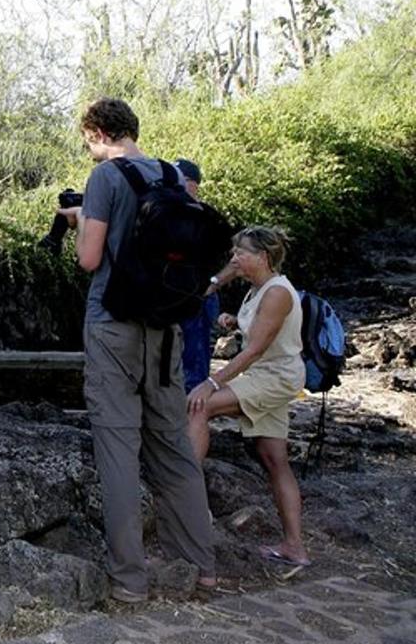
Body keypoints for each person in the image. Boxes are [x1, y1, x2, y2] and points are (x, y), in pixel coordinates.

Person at [60, 98, 216, 602]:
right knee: (172, 446)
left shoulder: (106, 178)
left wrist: (80, 219)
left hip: (113, 327)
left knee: (118, 449)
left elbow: (89, 260)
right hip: (165, 328)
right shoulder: (172, 175)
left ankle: (129, 582)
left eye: (88, 139)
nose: (89, 148)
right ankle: (201, 565)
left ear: (99, 132)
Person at [186, 225, 310, 567]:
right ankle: (294, 547)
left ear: (264, 257)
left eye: (242, 253)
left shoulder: (276, 293)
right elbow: (254, 329)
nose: (234, 258)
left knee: (199, 406)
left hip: (274, 377)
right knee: (274, 458)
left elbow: (254, 350)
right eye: (234, 252)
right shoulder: (257, 288)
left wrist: (211, 383)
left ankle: (185, 494)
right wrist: (218, 289)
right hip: (270, 375)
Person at [175, 159, 226, 393]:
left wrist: (213, 284)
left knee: (194, 363)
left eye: (182, 181)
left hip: (199, 298)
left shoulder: (208, 218)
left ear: (194, 184)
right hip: (172, 297)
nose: (175, 186)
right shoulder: (168, 214)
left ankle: (193, 417)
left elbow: (231, 258)